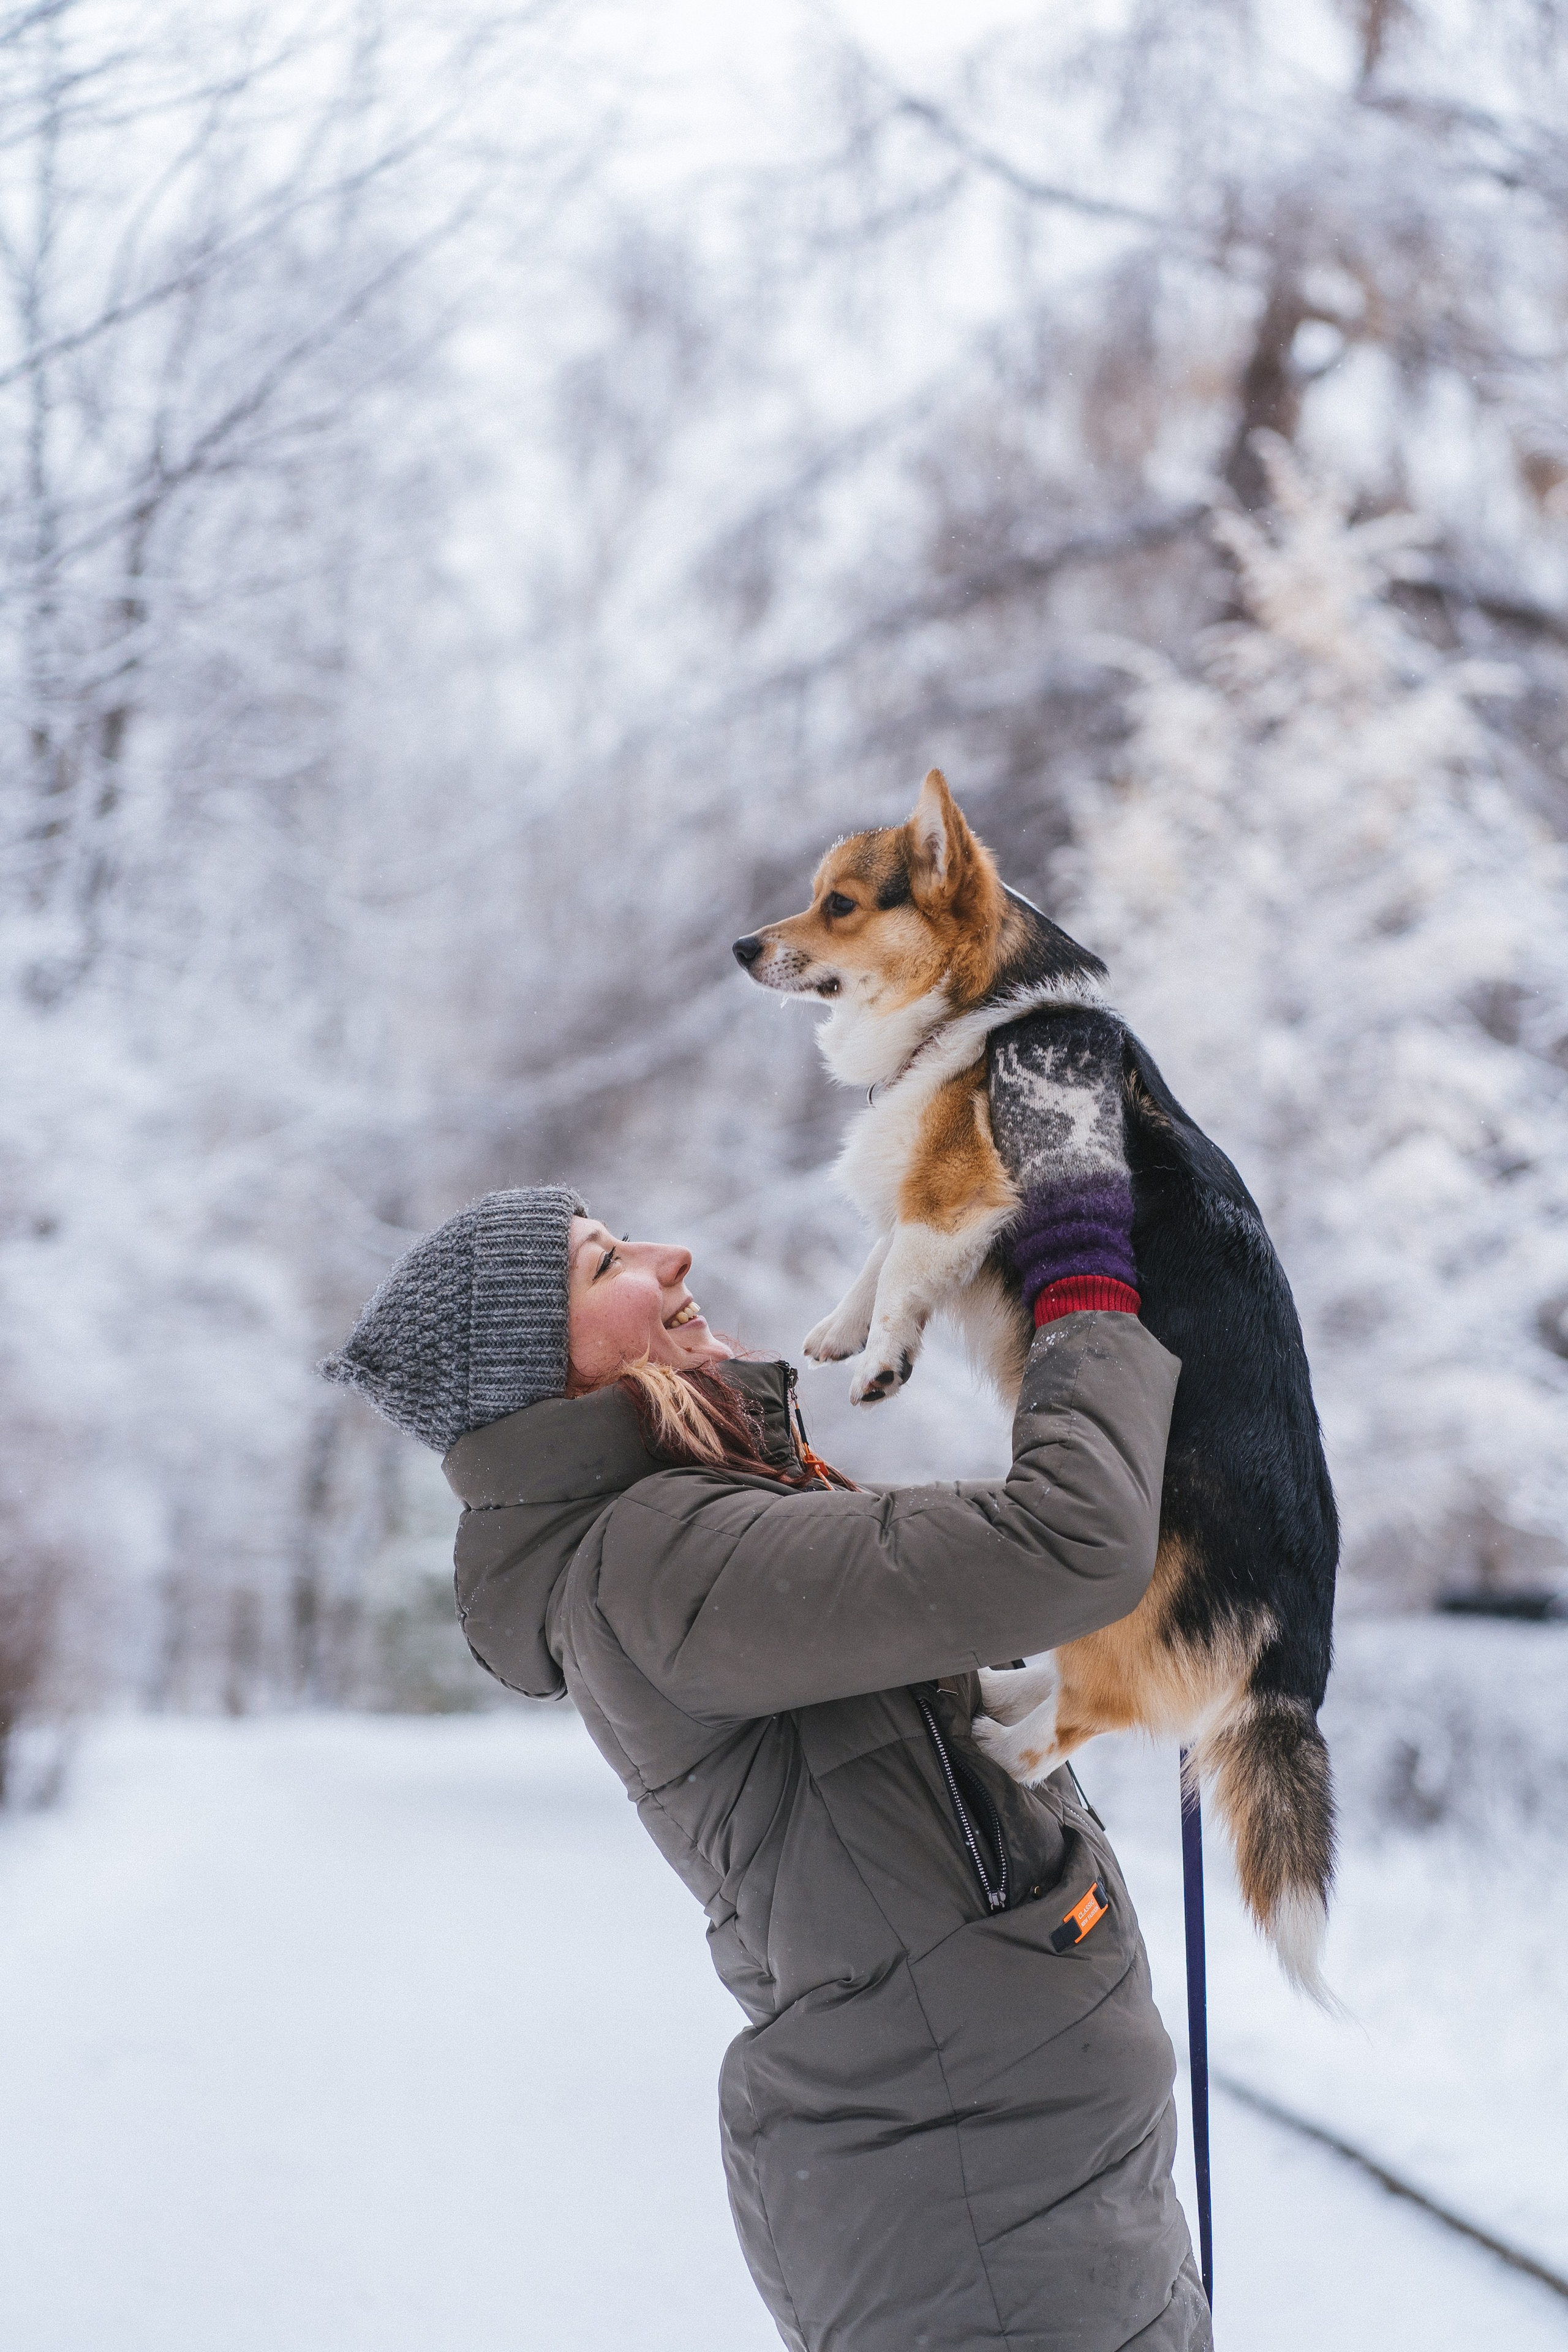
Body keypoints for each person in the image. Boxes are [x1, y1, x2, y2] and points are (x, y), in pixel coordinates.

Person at [322, 1179, 1210, 2352]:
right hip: (982, 2240)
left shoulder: (687, 1523)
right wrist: (1083, 1290)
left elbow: (925, 1713)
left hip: (1034, 2202)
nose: (673, 1255)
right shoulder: (656, 1560)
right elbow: (1070, 1540)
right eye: (606, 1264)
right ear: (547, 1375)